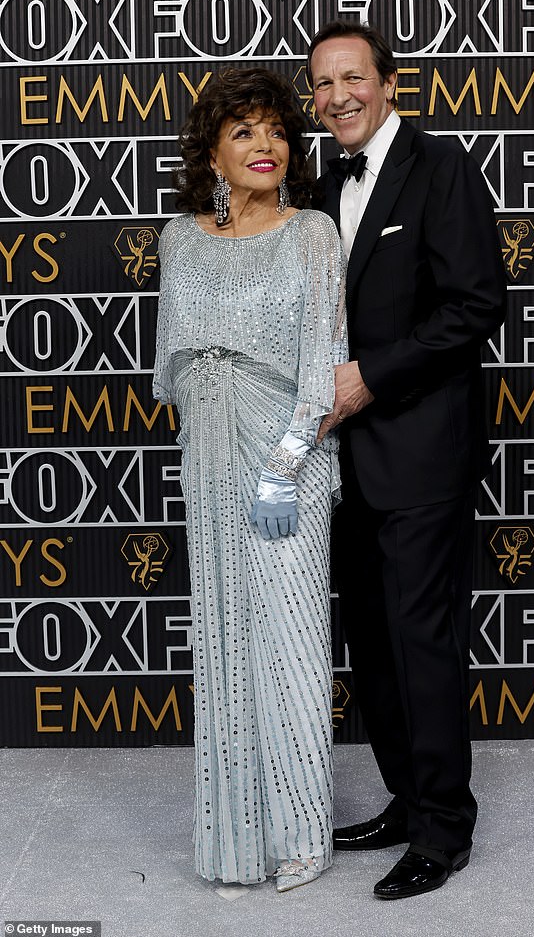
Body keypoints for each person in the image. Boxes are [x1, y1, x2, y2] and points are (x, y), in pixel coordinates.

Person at [309, 21, 507, 900]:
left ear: (388, 83)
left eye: (353, 77)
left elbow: (474, 306)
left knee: (422, 639)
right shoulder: (321, 188)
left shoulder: (443, 168)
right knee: (375, 644)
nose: (338, 95)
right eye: (322, 84)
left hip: (423, 450)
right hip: (341, 461)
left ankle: (444, 827)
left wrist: (368, 380)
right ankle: (404, 796)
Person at [152, 67, 347, 892]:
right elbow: (172, 362)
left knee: (294, 643)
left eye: (273, 129)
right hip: (210, 452)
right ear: (213, 153)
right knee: (225, 637)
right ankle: (235, 835)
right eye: (243, 132)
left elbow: (323, 359)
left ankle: (303, 829)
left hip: (286, 454)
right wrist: (208, 443)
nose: (263, 144)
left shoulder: (312, 234)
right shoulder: (179, 237)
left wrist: (289, 460)